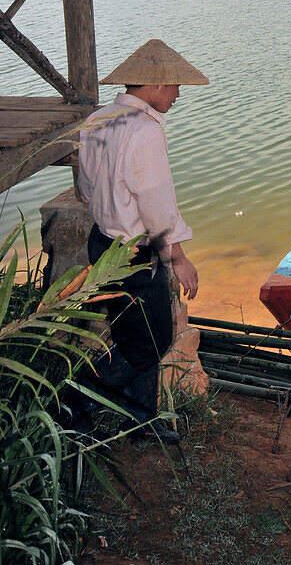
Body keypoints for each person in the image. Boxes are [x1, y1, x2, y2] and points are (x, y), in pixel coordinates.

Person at [75, 39, 208, 438]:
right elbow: (156, 204)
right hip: (134, 253)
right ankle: (74, 399)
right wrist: (178, 258)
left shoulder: (98, 119)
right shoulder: (145, 132)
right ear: (153, 85)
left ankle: (142, 420)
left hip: (101, 243)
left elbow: (84, 188)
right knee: (151, 341)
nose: (179, 94)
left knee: (132, 334)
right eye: (175, 86)